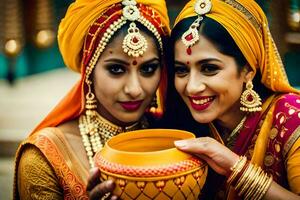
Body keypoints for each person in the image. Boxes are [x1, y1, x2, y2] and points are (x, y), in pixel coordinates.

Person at [13, 0, 170, 199]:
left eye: (148, 69)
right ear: (89, 71)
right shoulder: (44, 157)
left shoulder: (176, 137)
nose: (134, 89)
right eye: (116, 69)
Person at [168, 0, 300, 199]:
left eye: (209, 68)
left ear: (248, 69)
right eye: (181, 70)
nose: (192, 86)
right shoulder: (183, 126)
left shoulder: (291, 118)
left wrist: (236, 169)